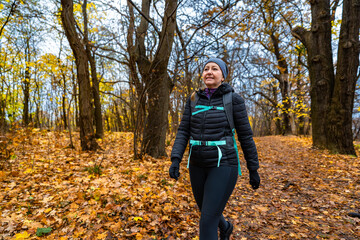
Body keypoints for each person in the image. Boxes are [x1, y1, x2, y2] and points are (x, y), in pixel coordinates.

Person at [169, 58, 260, 240]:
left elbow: (245, 136)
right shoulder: (193, 99)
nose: (209, 72)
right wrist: (175, 159)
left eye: (215, 69)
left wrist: (253, 169)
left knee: (207, 221)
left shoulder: (233, 100)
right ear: (202, 75)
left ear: (223, 76)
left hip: (223, 163)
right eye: (206, 69)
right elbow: (183, 131)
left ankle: (222, 228)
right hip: (197, 164)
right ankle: (225, 227)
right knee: (207, 209)